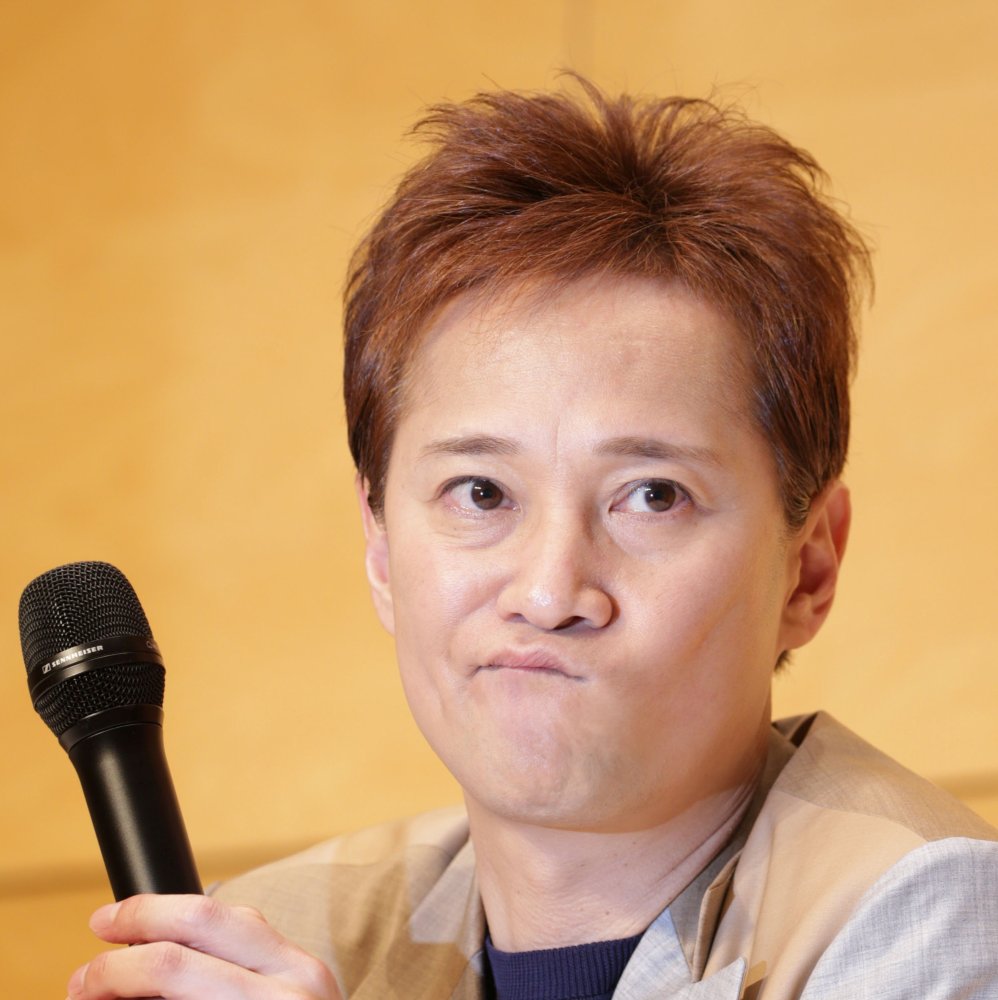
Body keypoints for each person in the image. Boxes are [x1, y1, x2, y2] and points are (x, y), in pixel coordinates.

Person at [66, 79, 998, 1000]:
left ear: (809, 569)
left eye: (652, 496)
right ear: (381, 549)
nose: (550, 593)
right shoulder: (280, 934)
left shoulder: (925, 914)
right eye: (481, 492)